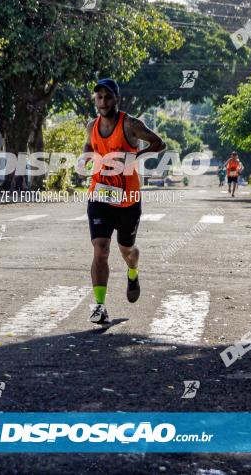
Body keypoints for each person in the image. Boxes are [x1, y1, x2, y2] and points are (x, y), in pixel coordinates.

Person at [84, 78, 166, 324]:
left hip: (128, 199)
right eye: (99, 97)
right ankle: (99, 306)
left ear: (116, 99)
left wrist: (133, 158)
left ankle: (133, 271)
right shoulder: (91, 126)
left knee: (126, 250)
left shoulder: (130, 124)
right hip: (100, 194)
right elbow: (88, 146)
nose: (103, 102)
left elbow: (159, 144)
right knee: (100, 248)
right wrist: (84, 159)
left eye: (108, 97)